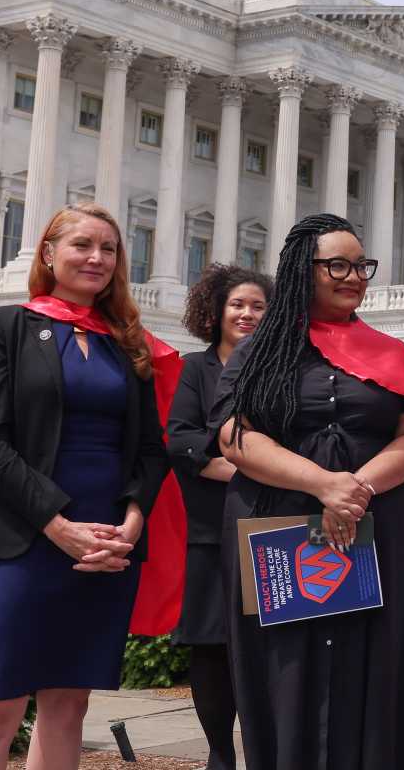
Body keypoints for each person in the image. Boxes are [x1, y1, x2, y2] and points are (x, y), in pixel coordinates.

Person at [0, 202, 182, 770]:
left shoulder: (126, 343)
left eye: (109, 248)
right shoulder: (4, 326)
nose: (97, 258)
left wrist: (131, 521)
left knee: (69, 706)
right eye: (82, 245)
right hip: (24, 539)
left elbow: (152, 448)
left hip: (106, 546)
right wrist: (58, 525)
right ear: (49, 254)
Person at [212, 213, 404, 769]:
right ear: (301, 271)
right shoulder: (259, 351)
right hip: (278, 522)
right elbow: (235, 438)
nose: (354, 276)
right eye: (338, 264)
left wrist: (354, 491)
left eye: (362, 266)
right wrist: (323, 486)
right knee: (285, 671)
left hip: (375, 525)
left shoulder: (394, 353)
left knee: (375, 665)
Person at [165, 264, 273, 770]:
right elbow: (181, 439)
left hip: (273, 525)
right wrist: (239, 470)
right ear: (216, 311)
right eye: (238, 305)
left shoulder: (279, 368)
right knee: (211, 645)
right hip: (213, 528)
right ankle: (219, 751)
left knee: (268, 644)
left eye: (257, 306)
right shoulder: (197, 368)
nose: (247, 314)